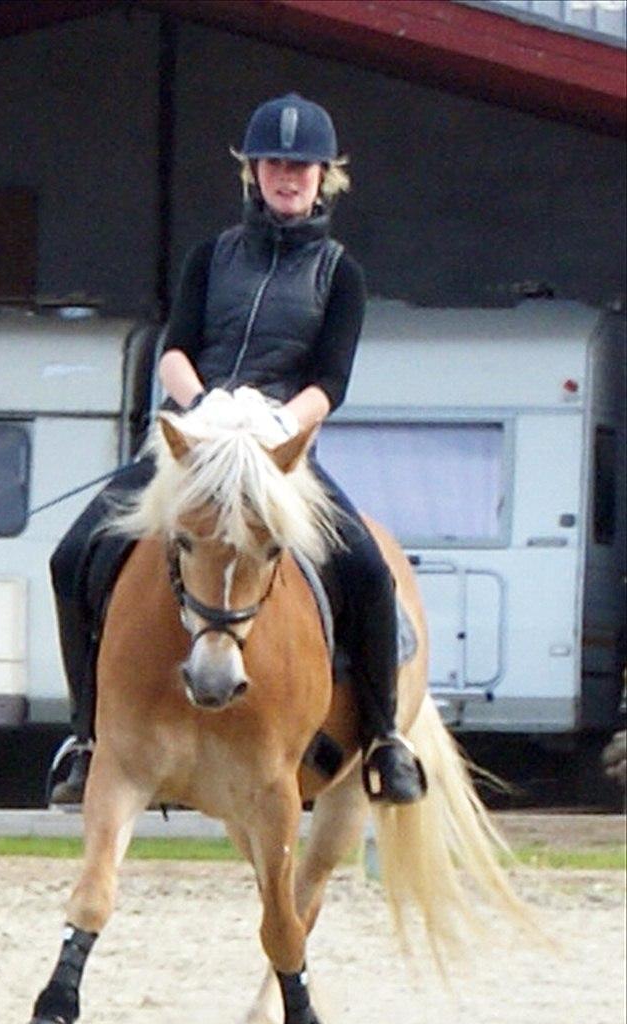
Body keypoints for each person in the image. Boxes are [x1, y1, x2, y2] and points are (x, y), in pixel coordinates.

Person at [48, 92, 426, 806]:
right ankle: (84, 734)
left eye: (302, 167)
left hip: (279, 451)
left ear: (324, 177)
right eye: (276, 164)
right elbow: (174, 351)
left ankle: (384, 738)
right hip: (196, 443)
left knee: (369, 572)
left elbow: (331, 381)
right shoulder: (211, 256)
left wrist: (277, 427)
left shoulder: (341, 273)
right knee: (72, 555)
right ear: (254, 171)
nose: (288, 177)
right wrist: (202, 406)